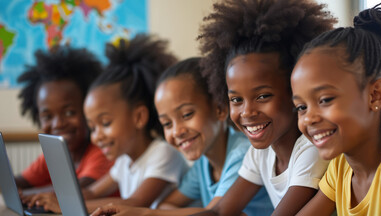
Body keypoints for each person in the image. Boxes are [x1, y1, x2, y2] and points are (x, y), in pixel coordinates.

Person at [196, 0, 335, 215]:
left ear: (296, 93)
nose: (247, 112)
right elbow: (220, 212)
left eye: (262, 96)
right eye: (236, 99)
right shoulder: (262, 152)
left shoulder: (311, 147)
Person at [90, 57, 274, 216]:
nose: (177, 131)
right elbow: (167, 205)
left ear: (219, 109)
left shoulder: (242, 153)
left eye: (186, 115)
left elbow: (213, 213)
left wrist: (147, 213)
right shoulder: (203, 164)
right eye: (167, 124)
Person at [29, 34, 189, 213]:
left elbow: (136, 203)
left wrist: (63, 205)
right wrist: (53, 199)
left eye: (105, 123)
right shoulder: (124, 161)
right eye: (92, 127)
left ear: (138, 117)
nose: (96, 137)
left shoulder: (164, 153)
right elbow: (91, 191)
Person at [291, 2, 381, 215]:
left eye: (325, 99)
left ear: (375, 95)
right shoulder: (341, 168)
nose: (309, 118)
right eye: (301, 107)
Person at [15, 46, 112, 199]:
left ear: (89, 109)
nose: (58, 124)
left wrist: (21, 195)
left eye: (69, 113)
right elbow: (16, 183)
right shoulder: (53, 155)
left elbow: (75, 191)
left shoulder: (101, 150)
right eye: (47, 116)